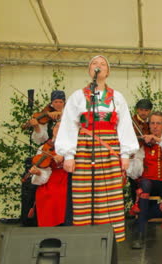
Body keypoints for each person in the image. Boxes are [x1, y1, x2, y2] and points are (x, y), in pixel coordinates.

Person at [55, 55, 139, 242]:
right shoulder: (77, 96)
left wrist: (125, 154)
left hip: (110, 149)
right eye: (95, 63)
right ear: (89, 70)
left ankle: (109, 238)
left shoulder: (117, 97)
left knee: (110, 193)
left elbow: (124, 125)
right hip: (85, 149)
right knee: (84, 193)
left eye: (103, 64)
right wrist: (68, 155)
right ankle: (85, 239)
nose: (98, 66)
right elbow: (69, 124)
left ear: (108, 72)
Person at [127, 111, 162, 249]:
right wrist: (133, 156)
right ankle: (140, 235)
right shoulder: (143, 144)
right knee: (144, 184)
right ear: (149, 125)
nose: (155, 126)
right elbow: (135, 173)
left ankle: (141, 219)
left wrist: (159, 141)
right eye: (152, 123)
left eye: (158, 123)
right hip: (148, 182)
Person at [29, 122, 68, 227]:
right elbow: (44, 169)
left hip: (67, 177)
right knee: (44, 193)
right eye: (56, 126)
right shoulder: (45, 147)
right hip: (50, 177)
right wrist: (38, 172)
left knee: (61, 194)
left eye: (62, 127)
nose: (58, 129)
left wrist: (65, 160)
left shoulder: (70, 145)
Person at [129, 99, 153, 205]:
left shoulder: (152, 121)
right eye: (141, 110)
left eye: (146, 110)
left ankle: (146, 209)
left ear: (150, 111)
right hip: (134, 154)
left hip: (148, 155)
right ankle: (136, 208)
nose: (143, 112)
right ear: (137, 110)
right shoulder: (130, 121)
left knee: (148, 181)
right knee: (134, 183)